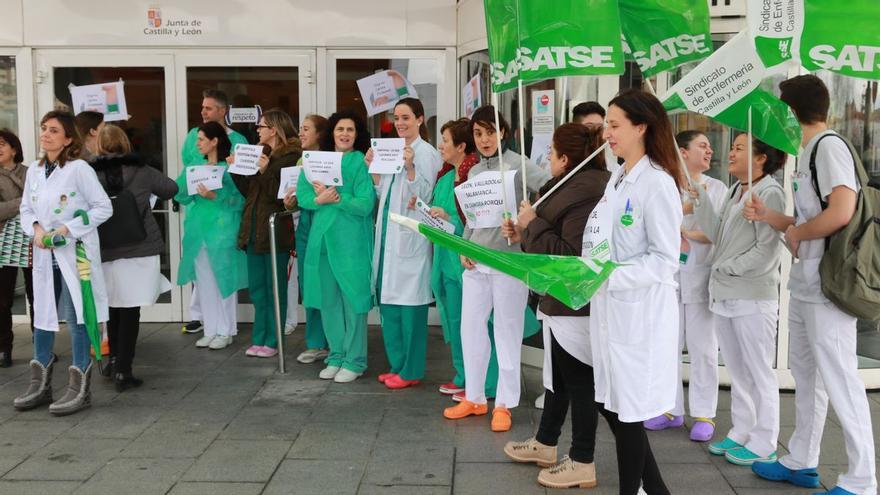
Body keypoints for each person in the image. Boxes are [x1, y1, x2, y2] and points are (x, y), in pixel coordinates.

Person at [746, 74, 877, 495]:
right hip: (808, 285)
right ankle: (801, 459)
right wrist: (771, 218)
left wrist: (798, 235)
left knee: (839, 378)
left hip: (828, 287)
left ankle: (861, 479)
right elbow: (809, 219)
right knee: (808, 375)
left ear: (790, 110)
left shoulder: (828, 146)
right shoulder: (808, 152)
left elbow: (841, 211)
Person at [581, 89, 683, 495]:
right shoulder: (619, 178)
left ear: (642, 127)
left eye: (615, 125)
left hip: (639, 318)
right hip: (611, 313)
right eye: (607, 124)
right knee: (613, 406)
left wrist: (609, 277)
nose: (607, 133)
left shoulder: (656, 184)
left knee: (626, 415)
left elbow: (664, 260)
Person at [501, 123, 609, 489]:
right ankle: (546, 443)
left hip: (575, 302)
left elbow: (568, 256)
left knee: (580, 382)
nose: (546, 159)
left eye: (550, 153)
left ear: (565, 158)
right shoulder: (569, 187)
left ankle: (582, 459)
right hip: (559, 301)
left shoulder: (587, 191)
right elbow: (548, 240)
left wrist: (532, 224)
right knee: (558, 377)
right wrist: (524, 231)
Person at [442, 105, 551, 432]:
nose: (485, 139)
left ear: (503, 131)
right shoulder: (473, 171)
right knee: (470, 329)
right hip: (476, 260)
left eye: (490, 131)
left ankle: (503, 403)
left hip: (509, 261)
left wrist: (525, 222)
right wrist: (463, 246)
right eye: (478, 133)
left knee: (506, 332)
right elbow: (471, 217)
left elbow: (549, 188)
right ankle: (474, 397)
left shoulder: (519, 164)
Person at [691, 133, 785, 466]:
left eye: (740, 148)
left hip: (752, 296)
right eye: (732, 147)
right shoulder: (736, 190)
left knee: (758, 371)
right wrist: (701, 200)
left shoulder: (770, 192)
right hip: (727, 293)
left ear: (761, 158)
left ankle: (764, 440)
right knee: (738, 370)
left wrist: (727, 267)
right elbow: (718, 234)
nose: (730, 153)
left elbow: (767, 249)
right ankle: (742, 430)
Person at [14, 111, 112, 416]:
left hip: (73, 254)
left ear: (68, 138)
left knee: (77, 317)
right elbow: (25, 209)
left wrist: (67, 229)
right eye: (44, 128)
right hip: (45, 255)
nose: (46, 134)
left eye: (53, 130)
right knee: (42, 316)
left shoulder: (79, 168)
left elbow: (103, 207)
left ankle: (79, 385)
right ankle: (40, 382)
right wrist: (38, 230)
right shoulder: (35, 170)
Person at [643, 130, 727, 442]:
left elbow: (716, 229)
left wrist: (684, 229)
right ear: (682, 151)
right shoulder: (667, 184)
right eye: (702, 146)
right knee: (667, 344)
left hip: (702, 277)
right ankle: (670, 409)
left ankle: (704, 413)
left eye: (709, 147)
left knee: (704, 347)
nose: (709, 151)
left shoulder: (717, 188)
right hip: (669, 278)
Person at [89, 124, 177, 390]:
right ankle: (123, 371)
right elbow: (170, 189)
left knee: (113, 307)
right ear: (125, 143)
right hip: (139, 248)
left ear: (99, 146)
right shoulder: (142, 170)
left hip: (105, 249)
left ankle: (114, 360)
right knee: (130, 310)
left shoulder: (90, 174)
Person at [366, 98, 441, 390]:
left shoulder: (427, 153)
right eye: (396, 118)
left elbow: (424, 194)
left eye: (406, 117)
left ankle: (411, 370)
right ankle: (397, 365)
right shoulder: (390, 149)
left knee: (411, 310)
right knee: (390, 307)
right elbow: (381, 191)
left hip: (410, 239)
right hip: (387, 236)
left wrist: (410, 168)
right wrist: (373, 168)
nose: (400, 123)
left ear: (420, 120)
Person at [297, 110, 375, 383]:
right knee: (328, 303)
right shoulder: (317, 161)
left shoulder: (359, 164)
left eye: (350, 130)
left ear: (357, 135)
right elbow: (303, 194)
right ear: (332, 133)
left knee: (353, 303)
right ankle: (336, 355)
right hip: (322, 244)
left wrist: (337, 199)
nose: (344, 134)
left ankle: (355, 361)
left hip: (351, 245)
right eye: (340, 129)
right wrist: (318, 201)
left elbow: (366, 204)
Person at [428, 118, 500, 401]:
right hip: (446, 260)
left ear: (460, 146)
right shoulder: (445, 179)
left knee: (482, 324)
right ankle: (463, 375)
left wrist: (450, 220)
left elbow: (477, 221)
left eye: (445, 140)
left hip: (468, 260)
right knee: (455, 320)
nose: (441, 146)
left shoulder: (475, 179)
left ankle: (488, 382)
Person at [230, 109, 300, 358]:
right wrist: (237, 170)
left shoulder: (292, 156)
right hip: (254, 231)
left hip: (275, 232)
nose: (257, 130)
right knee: (258, 289)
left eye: (261, 126)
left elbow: (281, 196)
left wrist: (266, 170)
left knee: (275, 289)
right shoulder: (263, 154)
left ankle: (273, 339)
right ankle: (260, 337)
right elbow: (250, 192)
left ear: (274, 129)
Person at [180, 89, 248, 335]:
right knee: (204, 281)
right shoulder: (195, 164)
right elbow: (180, 190)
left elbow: (242, 194)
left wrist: (215, 196)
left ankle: (226, 330)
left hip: (224, 228)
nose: (203, 112)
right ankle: (210, 330)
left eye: (208, 108)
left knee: (224, 280)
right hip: (200, 228)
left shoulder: (234, 151)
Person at [284, 114, 329, 364]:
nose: (301, 133)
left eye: (306, 129)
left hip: (326, 224)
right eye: (300, 128)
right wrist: (290, 202)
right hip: (305, 226)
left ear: (320, 134)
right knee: (309, 283)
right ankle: (315, 342)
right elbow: (298, 196)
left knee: (328, 284)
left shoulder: (333, 160)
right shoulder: (301, 160)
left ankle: (334, 341)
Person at [0, 129, 34, 367]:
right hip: (3, 242)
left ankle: (41, 349)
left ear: (14, 147)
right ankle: (4, 349)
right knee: (3, 300)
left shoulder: (32, 172)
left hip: (35, 240)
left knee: (38, 297)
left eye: (2, 143)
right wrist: (26, 202)